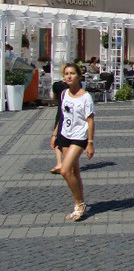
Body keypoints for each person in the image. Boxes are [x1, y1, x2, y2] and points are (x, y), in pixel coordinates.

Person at [50, 63, 95, 221]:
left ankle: (79, 204)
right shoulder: (63, 94)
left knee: (64, 170)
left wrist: (90, 142)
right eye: (66, 74)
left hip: (79, 137)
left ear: (78, 76)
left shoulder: (85, 97)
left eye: (72, 73)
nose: (68, 76)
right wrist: (55, 135)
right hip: (64, 136)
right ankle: (79, 205)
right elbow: (61, 117)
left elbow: (90, 121)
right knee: (74, 172)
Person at [49, 64, 70, 174]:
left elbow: (54, 98)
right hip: (71, 114)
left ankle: (59, 163)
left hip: (60, 112)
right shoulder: (75, 84)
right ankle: (67, 162)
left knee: (57, 138)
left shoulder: (57, 85)